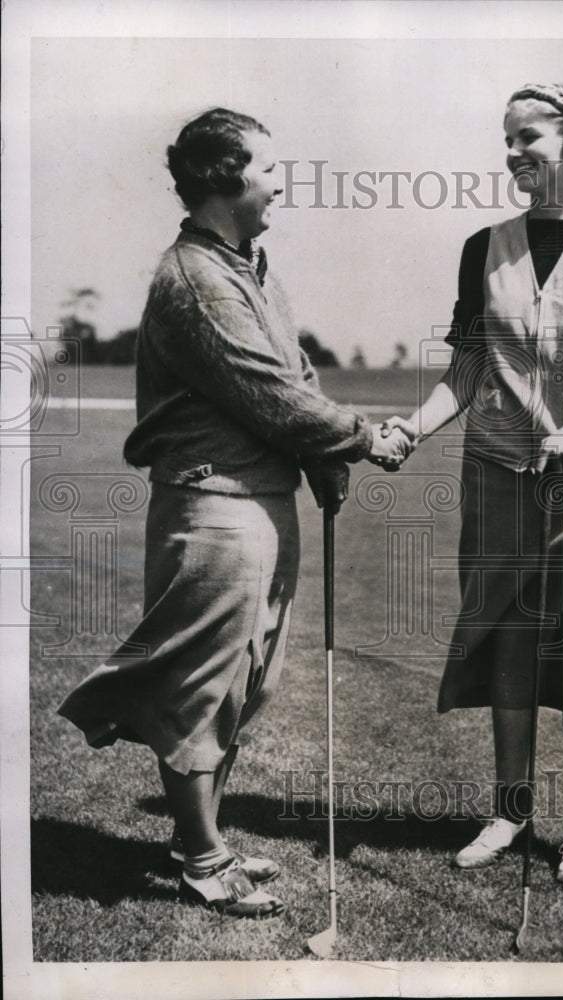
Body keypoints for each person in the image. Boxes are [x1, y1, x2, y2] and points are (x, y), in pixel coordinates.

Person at [58, 108, 409, 919]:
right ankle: (202, 855)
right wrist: (360, 438)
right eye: (267, 167)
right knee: (201, 686)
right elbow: (266, 390)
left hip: (263, 499)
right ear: (223, 177)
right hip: (215, 504)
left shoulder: (250, 268)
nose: (281, 182)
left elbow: (297, 374)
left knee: (247, 683)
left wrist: (325, 457)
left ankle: (197, 839)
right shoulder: (194, 278)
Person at [383, 83, 563, 887]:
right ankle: (511, 811)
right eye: (505, 139)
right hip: (495, 471)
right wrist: (411, 428)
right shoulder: (483, 246)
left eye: (527, 137)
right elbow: (468, 368)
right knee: (506, 642)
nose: (512, 152)